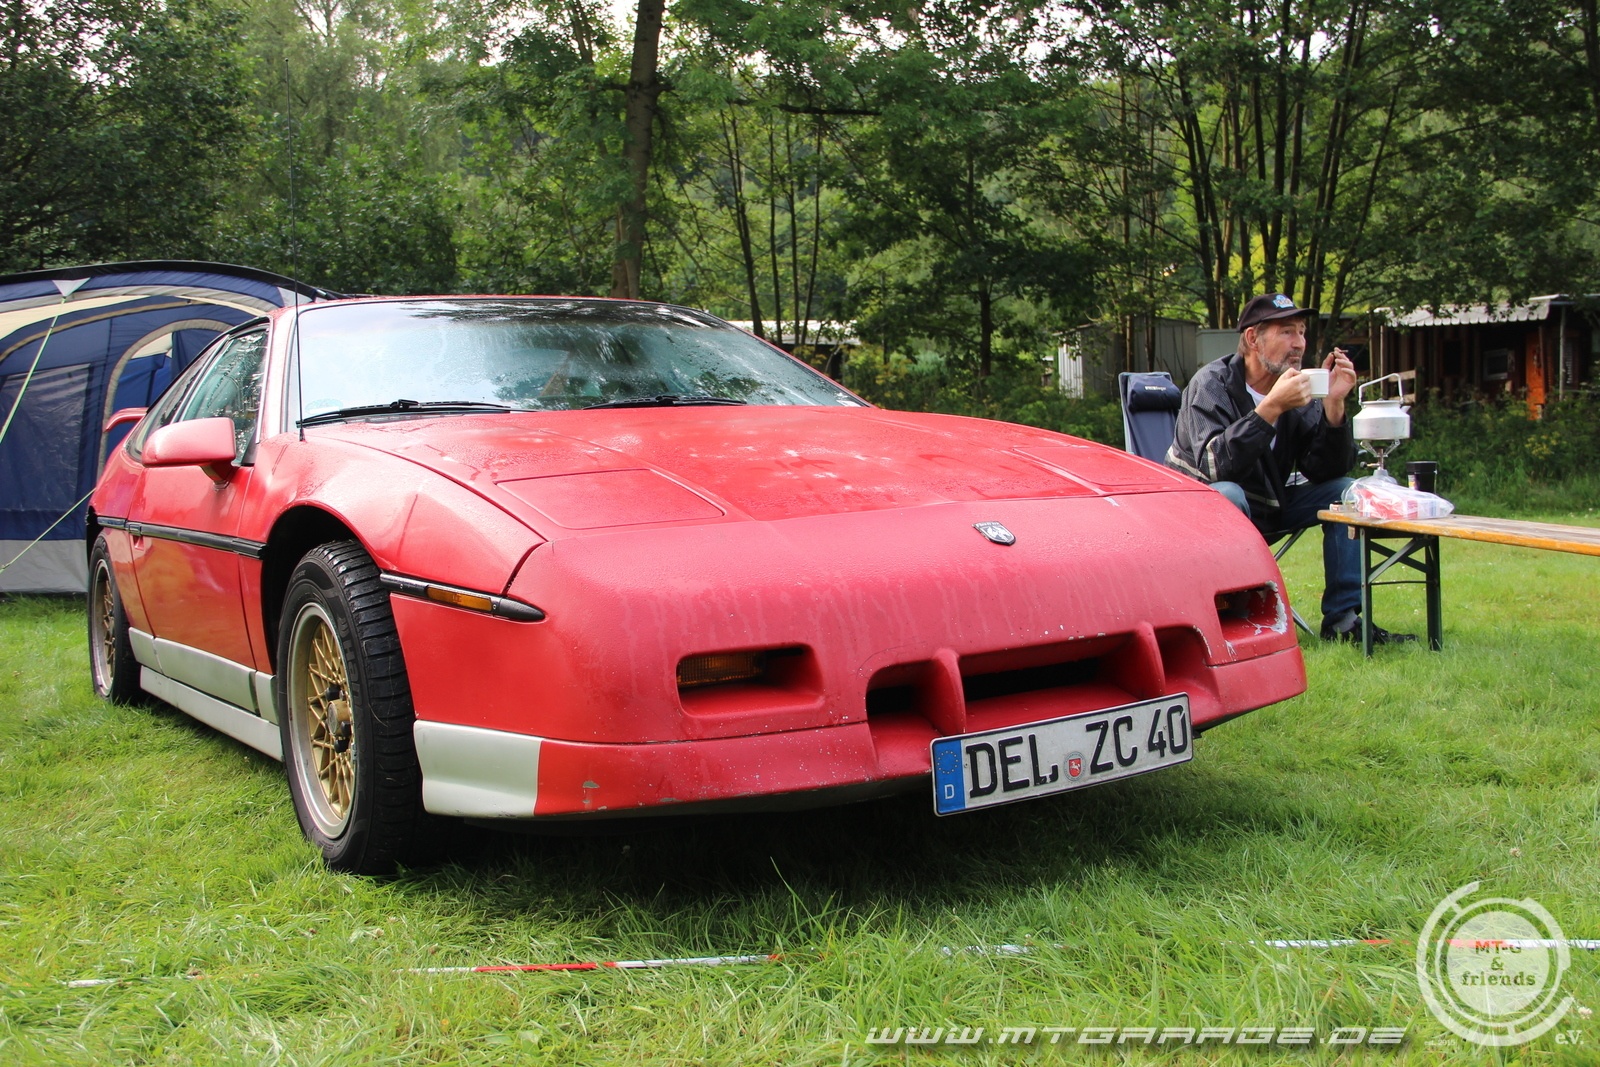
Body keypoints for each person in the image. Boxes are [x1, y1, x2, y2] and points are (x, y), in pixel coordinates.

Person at [1165, 292, 1414, 644]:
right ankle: (1237, 616)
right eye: (1286, 332)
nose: (1299, 343)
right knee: (1228, 494)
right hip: (1203, 515)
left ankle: (1344, 621)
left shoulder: (1296, 388)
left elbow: (1324, 470)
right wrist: (1270, 409)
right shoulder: (1211, 385)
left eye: (1301, 332)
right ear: (1253, 338)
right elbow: (1217, 467)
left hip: (1271, 506)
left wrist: (1333, 405)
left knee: (1347, 491)